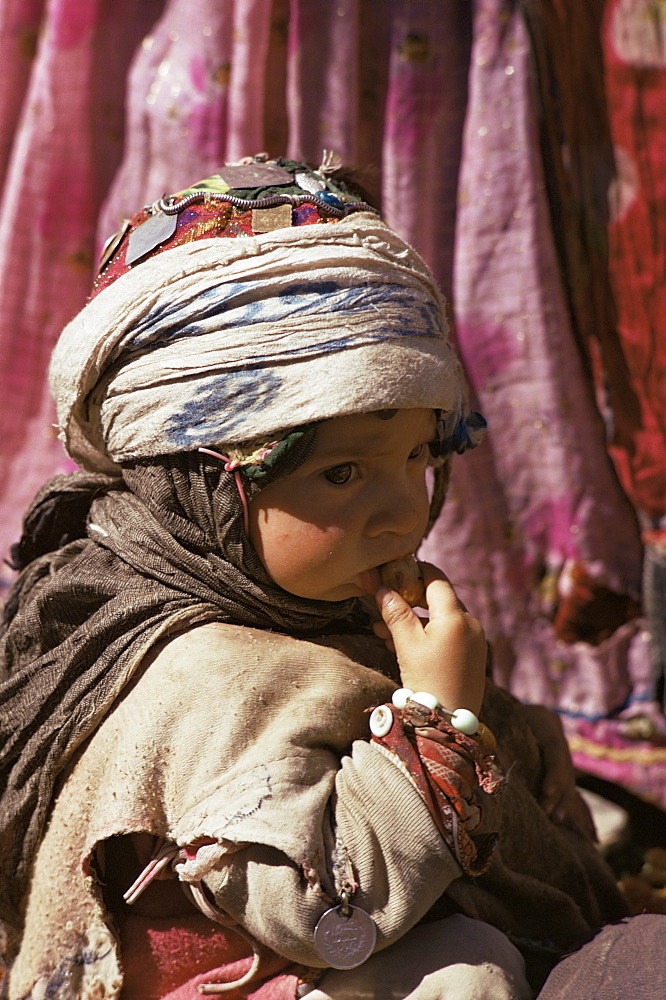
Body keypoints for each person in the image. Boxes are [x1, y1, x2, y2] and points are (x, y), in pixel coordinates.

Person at [0, 158, 626, 1000]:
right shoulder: (203, 676)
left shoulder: (300, 602)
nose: (403, 513)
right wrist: (440, 722)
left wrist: (502, 731)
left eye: (416, 457)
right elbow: (330, 913)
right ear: (203, 485)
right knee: (466, 975)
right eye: (342, 475)